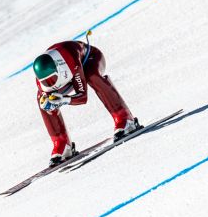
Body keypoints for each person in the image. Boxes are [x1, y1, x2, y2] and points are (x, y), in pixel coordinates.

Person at [33, 39, 139, 167]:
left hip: (89, 59)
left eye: (52, 79)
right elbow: (47, 95)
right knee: (43, 100)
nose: (51, 83)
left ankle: (125, 119)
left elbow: (83, 97)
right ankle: (62, 144)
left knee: (91, 74)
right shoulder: (41, 81)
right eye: (47, 82)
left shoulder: (70, 59)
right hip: (68, 77)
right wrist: (50, 104)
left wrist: (64, 99)